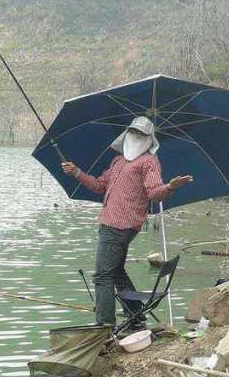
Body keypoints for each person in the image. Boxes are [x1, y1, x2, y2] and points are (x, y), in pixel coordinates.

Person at [62, 116, 193, 329]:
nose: (136, 137)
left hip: (122, 226)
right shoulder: (118, 161)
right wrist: (77, 172)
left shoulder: (149, 162)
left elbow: (154, 193)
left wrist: (171, 186)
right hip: (108, 222)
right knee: (116, 271)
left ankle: (104, 326)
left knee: (103, 276)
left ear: (150, 139)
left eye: (142, 134)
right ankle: (136, 315)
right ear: (127, 133)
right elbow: (98, 186)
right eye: (133, 132)